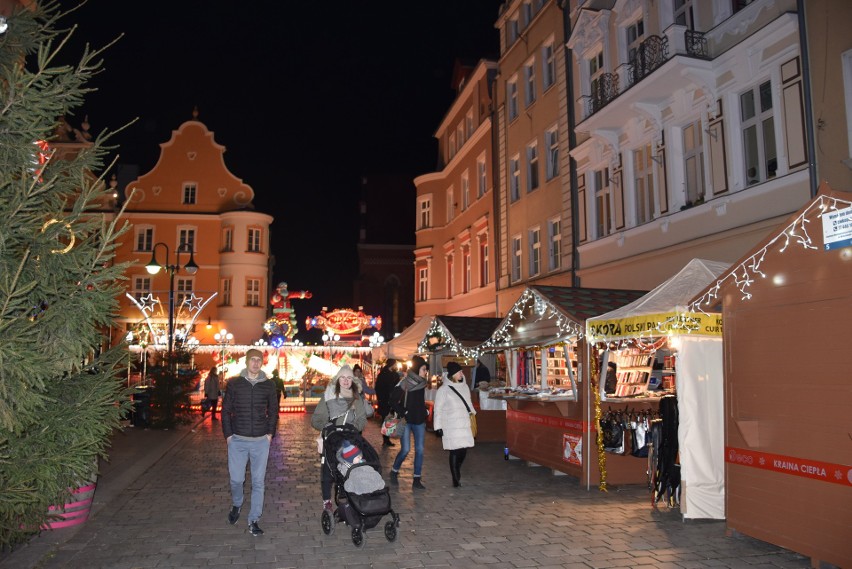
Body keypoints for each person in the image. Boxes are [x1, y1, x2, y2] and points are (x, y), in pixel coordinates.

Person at [221, 349, 278, 537]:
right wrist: (228, 435)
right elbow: (225, 410)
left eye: (258, 360)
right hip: (238, 439)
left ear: (262, 362)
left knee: (258, 482)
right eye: (252, 359)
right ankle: (237, 504)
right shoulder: (235, 384)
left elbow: (273, 410)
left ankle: (254, 519)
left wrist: (269, 433)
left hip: (260, 441)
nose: (255, 363)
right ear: (246, 362)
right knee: (236, 479)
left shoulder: (269, 385)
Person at [311, 364, 369, 512]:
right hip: (331, 439)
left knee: (351, 469)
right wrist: (329, 427)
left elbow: (362, 419)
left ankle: (347, 496)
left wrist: (354, 428)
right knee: (329, 469)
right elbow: (316, 419)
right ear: (337, 379)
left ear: (353, 381)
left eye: (349, 378)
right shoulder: (328, 396)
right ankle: (327, 501)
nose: (345, 380)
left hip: (350, 439)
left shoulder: (356, 398)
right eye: (342, 377)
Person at [388, 355, 430, 490]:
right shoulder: (404, 383)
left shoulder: (423, 383)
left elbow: (419, 401)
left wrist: (425, 412)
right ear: (418, 369)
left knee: (420, 449)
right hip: (406, 420)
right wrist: (403, 411)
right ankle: (394, 471)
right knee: (405, 449)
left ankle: (417, 478)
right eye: (424, 369)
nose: (425, 372)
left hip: (419, 420)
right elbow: (392, 400)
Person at [433, 362, 476, 487]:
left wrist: (473, 414)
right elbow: (438, 409)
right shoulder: (443, 390)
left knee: (463, 450)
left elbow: (469, 403)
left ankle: (457, 468)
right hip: (451, 424)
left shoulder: (465, 387)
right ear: (453, 374)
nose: (462, 374)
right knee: (455, 450)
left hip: (464, 423)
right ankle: (455, 476)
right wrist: (438, 426)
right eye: (460, 372)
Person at [375, 359, 399, 447]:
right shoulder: (384, 374)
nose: (396, 366)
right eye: (395, 364)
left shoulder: (392, 374)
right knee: (386, 420)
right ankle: (386, 439)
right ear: (392, 365)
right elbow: (379, 388)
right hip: (385, 401)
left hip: (390, 401)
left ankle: (386, 439)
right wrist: (381, 399)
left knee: (389, 420)